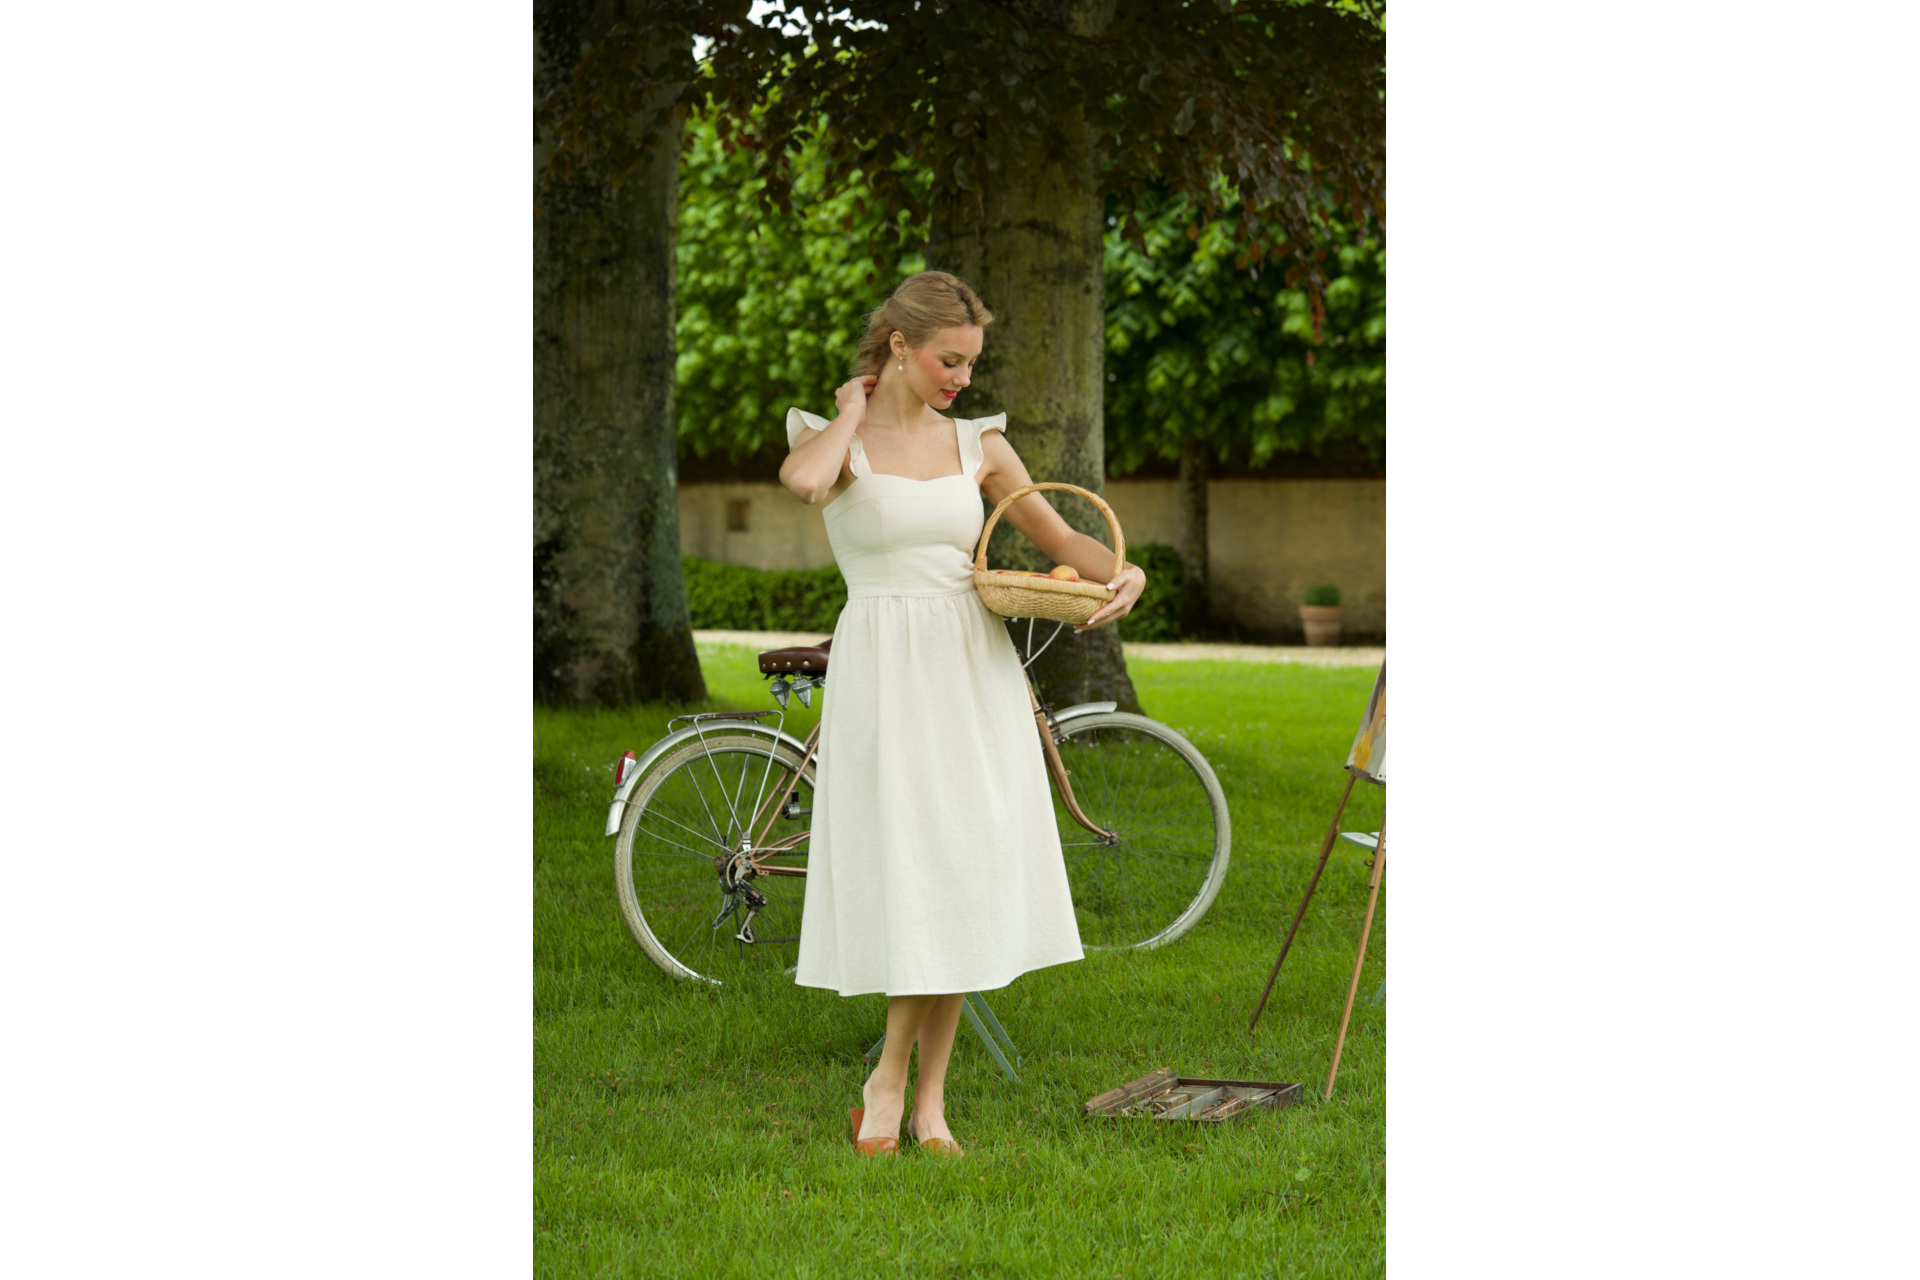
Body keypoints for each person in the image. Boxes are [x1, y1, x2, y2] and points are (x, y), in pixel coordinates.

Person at [777, 270, 1148, 1156]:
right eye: (949, 360)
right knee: (917, 867)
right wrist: (849, 409)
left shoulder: (979, 443)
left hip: (970, 665)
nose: (963, 379)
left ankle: (918, 1094)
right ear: (900, 347)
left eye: (972, 363)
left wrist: (1124, 574)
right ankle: (890, 1083)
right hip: (882, 666)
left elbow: (1060, 541)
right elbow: (805, 484)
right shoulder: (836, 440)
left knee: (963, 867)